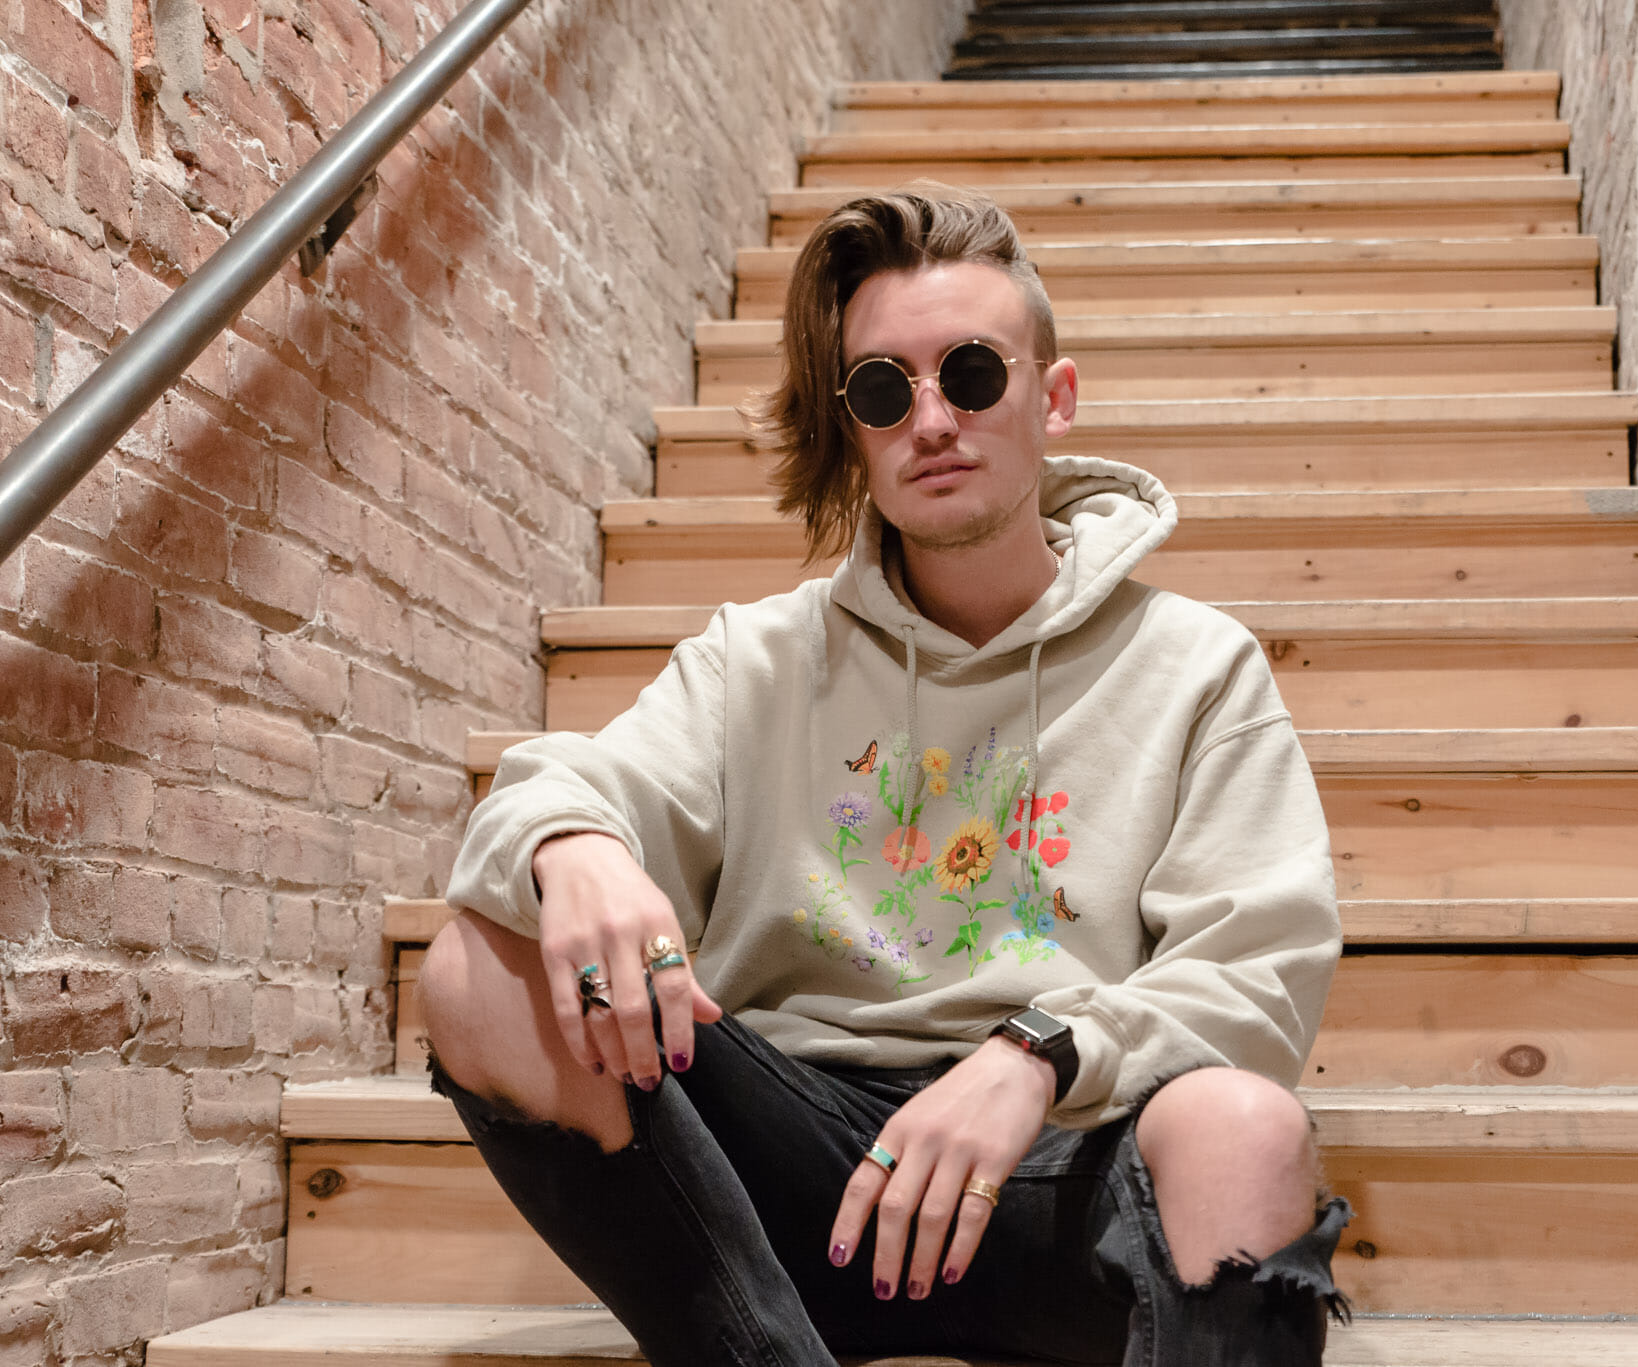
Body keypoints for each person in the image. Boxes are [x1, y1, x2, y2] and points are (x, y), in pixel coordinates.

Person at [417, 184, 1352, 1366]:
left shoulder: (1195, 665)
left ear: (1053, 397)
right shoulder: (757, 657)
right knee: (477, 968)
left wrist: (1036, 1051)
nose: (931, 418)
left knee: (1246, 1124)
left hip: (1061, 1164)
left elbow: (1257, 975)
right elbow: (562, 786)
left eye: (971, 373)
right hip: (789, 1177)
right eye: (880, 389)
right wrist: (576, 848)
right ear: (854, 427)